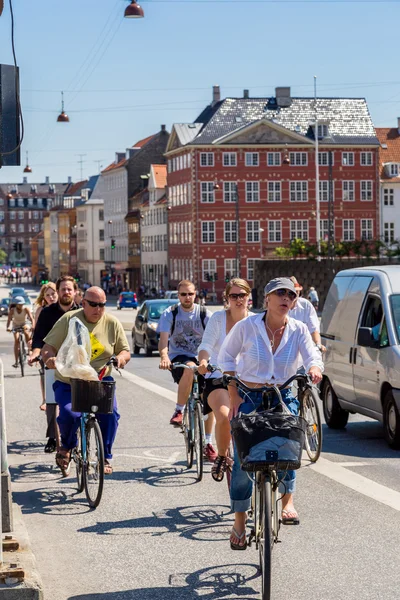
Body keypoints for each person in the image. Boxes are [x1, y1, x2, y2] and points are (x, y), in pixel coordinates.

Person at [218, 277, 323, 550]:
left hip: (284, 394)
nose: (286, 298)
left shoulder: (298, 329)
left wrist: (314, 368)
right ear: (267, 299)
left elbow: (312, 355)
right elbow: (226, 357)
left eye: (290, 294)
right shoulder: (248, 327)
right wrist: (233, 389)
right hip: (250, 395)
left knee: (289, 447)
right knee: (244, 459)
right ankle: (240, 519)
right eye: (280, 294)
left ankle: (288, 499)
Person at [41, 286, 130, 475]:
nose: (98, 309)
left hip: (99, 379)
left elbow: (125, 350)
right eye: (93, 304)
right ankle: (67, 445)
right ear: (83, 303)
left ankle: (105, 455)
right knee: (69, 415)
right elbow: (48, 347)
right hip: (69, 381)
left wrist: (121, 358)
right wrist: (50, 359)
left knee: (111, 414)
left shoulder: (112, 323)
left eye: (102, 305)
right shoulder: (69, 319)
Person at [197, 278, 252, 481]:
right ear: (227, 298)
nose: (238, 300)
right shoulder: (218, 319)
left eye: (242, 295)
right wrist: (203, 361)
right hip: (218, 377)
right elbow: (206, 344)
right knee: (223, 416)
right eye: (233, 296)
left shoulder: (255, 321)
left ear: (249, 297)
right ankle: (221, 455)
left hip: (247, 381)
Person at [158, 280, 217, 462]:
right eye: (183, 294)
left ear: (195, 294)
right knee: (190, 368)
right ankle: (179, 410)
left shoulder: (204, 313)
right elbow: (163, 340)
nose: (187, 297)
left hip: (203, 357)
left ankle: (208, 443)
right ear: (178, 295)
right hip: (179, 358)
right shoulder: (171, 313)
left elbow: (216, 336)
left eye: (190, 294)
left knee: (210, 399)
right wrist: (164, 357)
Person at [29, 276, 79, 453]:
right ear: (58, 292)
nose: (66, 292)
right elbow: (38, 338)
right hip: (53, 363)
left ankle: (80, 432)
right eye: (63, 289)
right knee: (52, 402)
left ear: (75, 292)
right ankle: (52, 436)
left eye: (69, 289)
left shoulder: (82, 311)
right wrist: (35, 354)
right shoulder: (47, 313)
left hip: (76, 364)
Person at [33, 282, 58, 413]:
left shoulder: (63, 309)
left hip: (61, 347)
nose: (51, 297)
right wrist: (35, 350)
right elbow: (36, 331)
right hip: (46, 347)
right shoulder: (41, 310)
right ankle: (45, 399)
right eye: (47, 295)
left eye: (53, 294)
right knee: (45, 372)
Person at [290, 277, 325, 353]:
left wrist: (318, 344)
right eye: (292, 292)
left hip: (303, 352)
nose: (295, 294)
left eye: (297, 291)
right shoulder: (280, 307)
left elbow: (313, 328)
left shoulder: (306, 305)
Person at [6, 296, 34, 368]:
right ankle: (16, 362)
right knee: (16, 340)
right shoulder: (12, 310)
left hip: (24, 324)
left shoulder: (26, 309)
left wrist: (33, 325)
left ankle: (29, 349)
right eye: (19, 304)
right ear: (16, 304)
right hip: (16, 325)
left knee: (26, 332)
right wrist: (8, 327)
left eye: (22, 304)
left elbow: (31, 318)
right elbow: (9, 320)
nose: (21, 305)